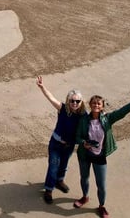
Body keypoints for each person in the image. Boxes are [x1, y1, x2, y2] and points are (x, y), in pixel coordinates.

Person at [73, 88, 130, 218]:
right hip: (84, 154)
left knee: (101, 184)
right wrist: (83, 142)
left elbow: (122, 112)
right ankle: (85, 197)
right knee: (84, 178)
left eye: (98, 103)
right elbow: (77, 136)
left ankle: (101, 206)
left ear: (102, 106)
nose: (96, 105)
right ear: (90, 105)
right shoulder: (84, 120)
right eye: (94, 103)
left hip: (99, 156)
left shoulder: (108, 119)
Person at [36, 76, 86, 204]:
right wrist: (42, 87)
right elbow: (50, 98)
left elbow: (93, 122)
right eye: (72, 101)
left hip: (69, 146)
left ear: (81, 102)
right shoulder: (62, 108)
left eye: (77, 101)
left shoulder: (83, 115)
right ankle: (48, 189)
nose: (74, 103)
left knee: (63, 165)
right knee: (53, 166)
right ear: (68, 101)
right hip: (56, 144)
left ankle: (59, 181)